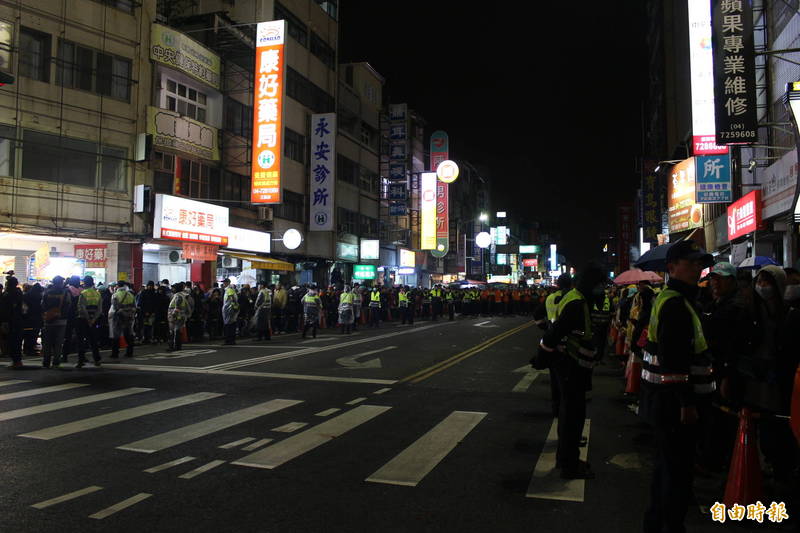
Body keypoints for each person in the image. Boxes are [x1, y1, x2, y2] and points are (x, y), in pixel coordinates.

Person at [639, 240, 714, 533]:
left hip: (664, 401)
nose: (699, 267)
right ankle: (670, 526)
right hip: (674, 405)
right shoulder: (674, 304)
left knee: (666, 470)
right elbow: (673, 362)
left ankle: (657, 524)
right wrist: (687, 403)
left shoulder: (678, 300)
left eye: (700, 262)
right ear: (672, 268)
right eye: (692, 262)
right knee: (676, 475)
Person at [538, 264, 607, 480]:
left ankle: (566, 459)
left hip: (571, 365)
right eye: (600, 285)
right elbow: (554, 333)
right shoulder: (577, 303)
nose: (602, 289)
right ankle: (569, 464)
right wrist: (542, 356)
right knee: (573, 416)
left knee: (571, 414)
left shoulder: (576, 298)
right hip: (570, 366)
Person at [41, 276, 72, 368]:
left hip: (48, 320)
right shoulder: (65, 293)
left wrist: (48, 313)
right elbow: (69, 305)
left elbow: (42, 305)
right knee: (58, 342)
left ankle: (46, 361)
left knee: (47, 342)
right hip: (61, 320)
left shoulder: (46, 292)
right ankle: (56, 361)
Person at [75, 276, 102, 368]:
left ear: (85, 283)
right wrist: (93, 319)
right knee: (93, 340)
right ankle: (97, 359)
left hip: (82, 319)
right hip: (94, 320)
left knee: (81, 340)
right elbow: (99, 309)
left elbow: (82, 307)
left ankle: (81, 360)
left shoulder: (83, 293)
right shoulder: (97, 294)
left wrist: (88, 319)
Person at [109, 281, 136, 359]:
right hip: (129, 317)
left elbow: (115, 307)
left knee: (116, 335)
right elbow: (134, 306)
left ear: (117, 286)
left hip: (118, 317)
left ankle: (115, 353)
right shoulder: (130, 295)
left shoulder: (115, 295)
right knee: (128, 334)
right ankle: (129, 352)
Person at [2, 276, 24, 368]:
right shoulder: (19, 293)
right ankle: (17, 360)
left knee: (12, 341)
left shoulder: (8, 295)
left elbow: (4, 309)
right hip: (18, 320)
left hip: (10, 320)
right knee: (17, 341)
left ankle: (16, 360)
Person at [21, 283, 43, 358]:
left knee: (27, 334)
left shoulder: (26, 295)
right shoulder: (39, 296)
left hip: (27, 318)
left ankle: (26, 349)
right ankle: (30, 350)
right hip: (36, 318)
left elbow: (24, 307)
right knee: (33, 334)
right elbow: (41, 307)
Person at [167, 282, 189, 352]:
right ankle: (177, 346)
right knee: (177, 331)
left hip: (177, 317)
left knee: (174, 332)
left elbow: (177, 308)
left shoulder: (178, 296)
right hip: (180, 317)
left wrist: (173, 315)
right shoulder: (181, 295)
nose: (172, 289)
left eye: (173, 288)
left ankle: (174, 346)